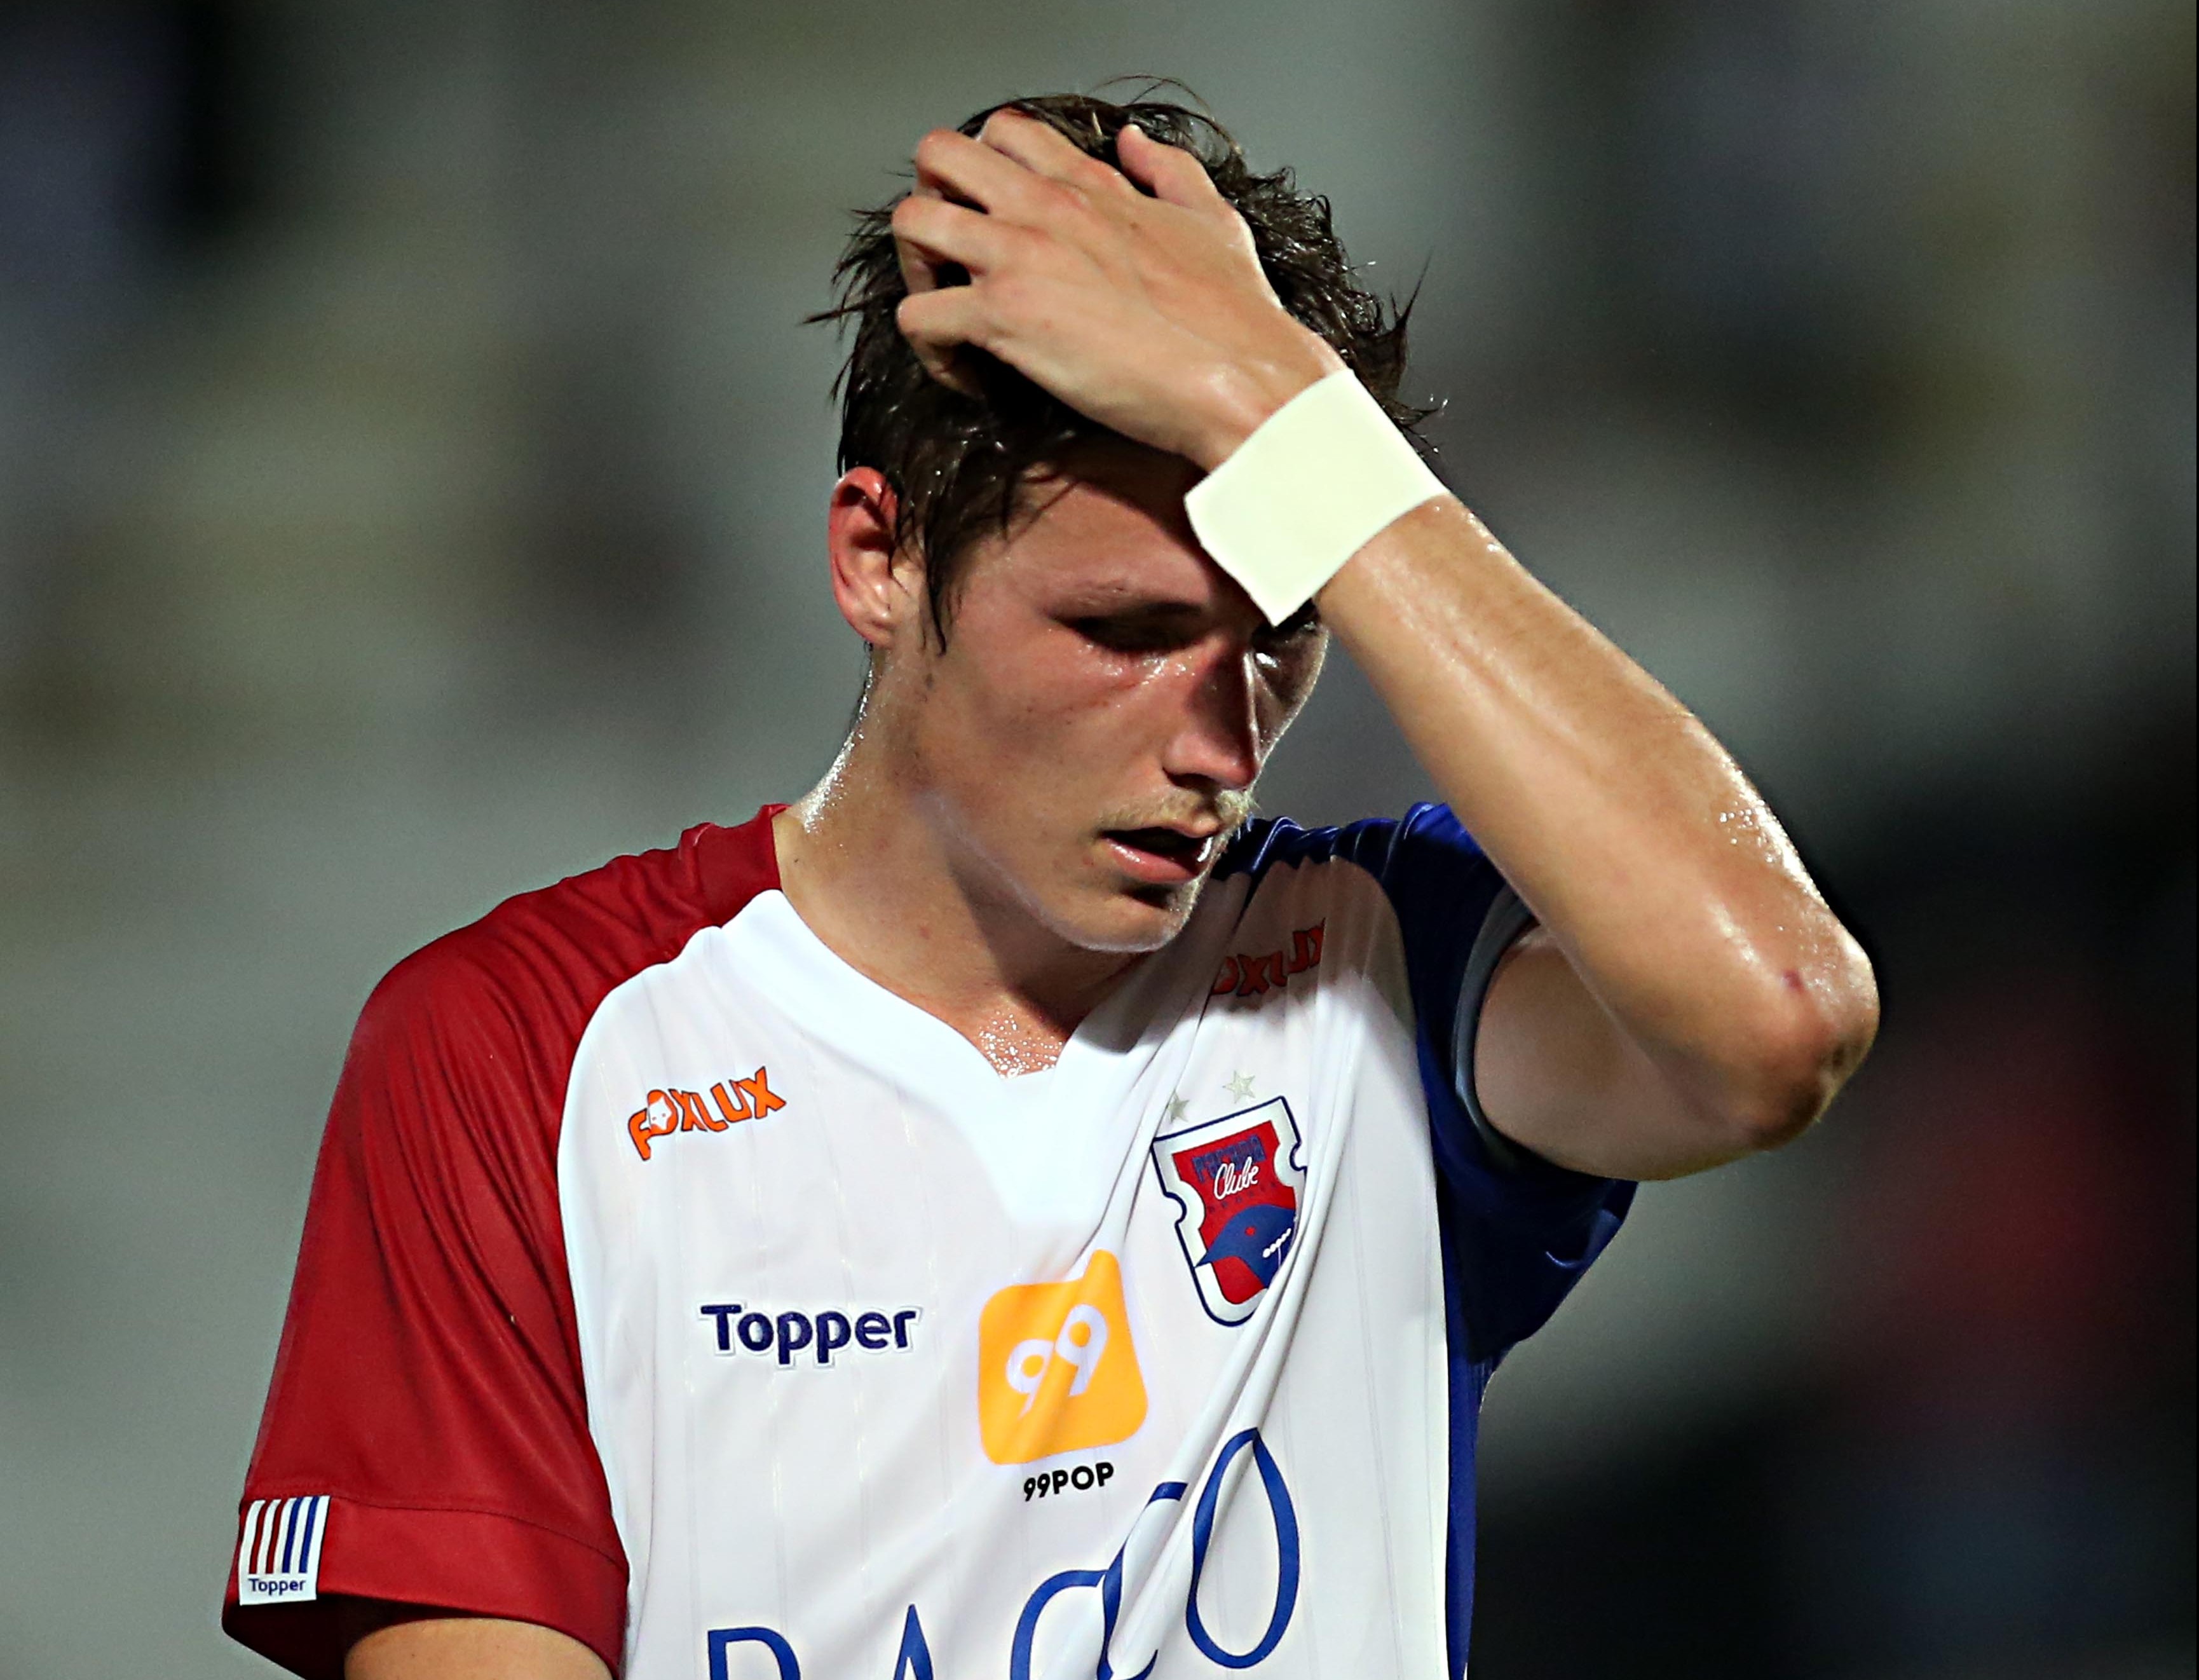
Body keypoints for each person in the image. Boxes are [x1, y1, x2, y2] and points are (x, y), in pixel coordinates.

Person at [222, 92, 1877, 1680]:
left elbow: (1778, 1018)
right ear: (878, 557)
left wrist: (1284, 417)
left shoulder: (1384, 970)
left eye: (1282, 635)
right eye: (1122, 631)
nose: (1217, 742)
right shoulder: (527, 1050)